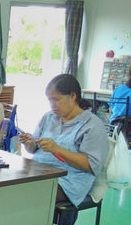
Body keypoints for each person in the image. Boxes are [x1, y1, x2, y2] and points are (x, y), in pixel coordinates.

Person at [18, 74, 109, 208]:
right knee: (6, 183)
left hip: (67, 182)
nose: (52, 105)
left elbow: (90, 165)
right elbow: (33, 149)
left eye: (56, 100)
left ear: (73, 96)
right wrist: (29, 143)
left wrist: (57, 149)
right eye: (49, 100)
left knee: (22, 194)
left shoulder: (92, 125)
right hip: (38, 172)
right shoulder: (48, 117)